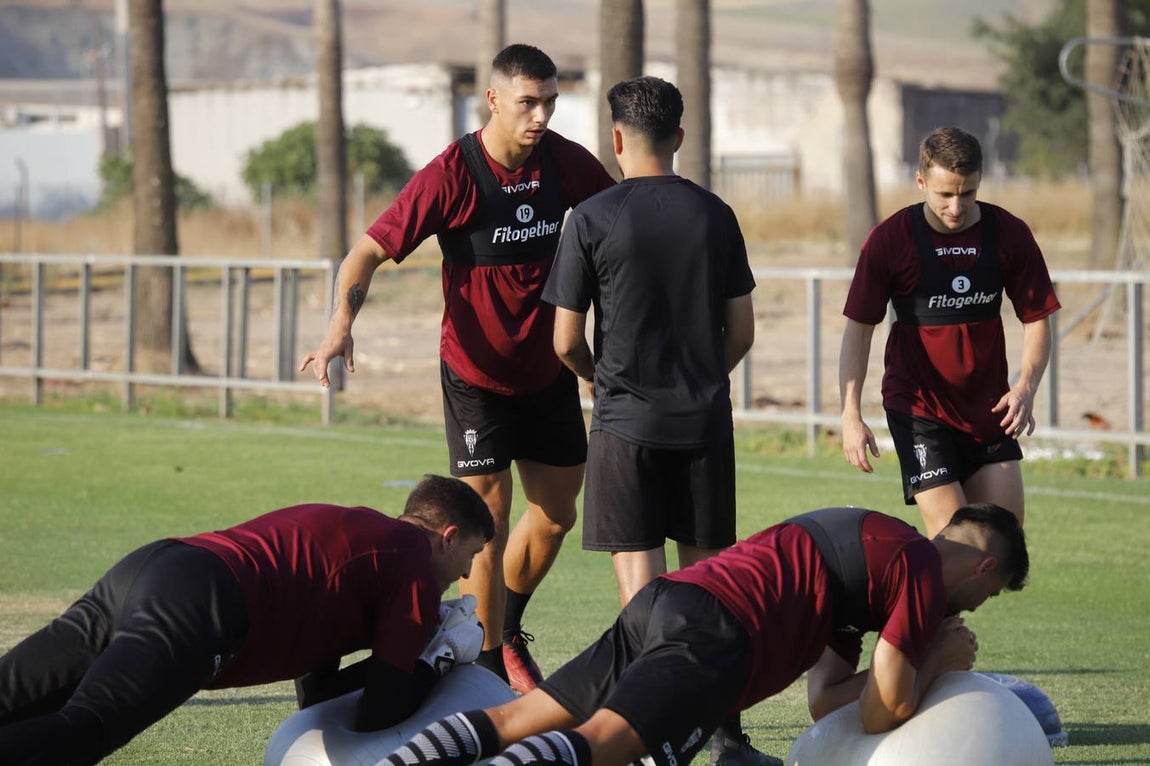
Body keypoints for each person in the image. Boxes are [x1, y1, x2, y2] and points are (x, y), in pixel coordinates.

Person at [301, 43, 616, 694]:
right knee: (489, 526)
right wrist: (340, 325)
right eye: (528, 102)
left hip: (549, 371)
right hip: (475, 378)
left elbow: (622, 224)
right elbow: (364, 253)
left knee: (558, 516)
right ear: (493, 99)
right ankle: (487, 662)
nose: (541, 115)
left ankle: (508, 627)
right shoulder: (453, 173)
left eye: (551, 101)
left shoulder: (567, 164)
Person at [377, 502, 1028, 766]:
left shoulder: (871, 560)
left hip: (667, 603)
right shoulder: (918, 568)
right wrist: (934, 656)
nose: (975, 607)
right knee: (603, 746)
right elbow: (886, 713)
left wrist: (900, 660)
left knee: (525, 717)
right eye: (988, 596)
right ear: (984, 567)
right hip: (719, 635)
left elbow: (828, 700)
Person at [541, 75, 762, 766]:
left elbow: (565, 341)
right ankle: (728, 738)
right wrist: (700, 379)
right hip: (703, 424)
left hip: (624, 425)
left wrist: (601, 382)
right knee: (708, 590)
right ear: (680, 138)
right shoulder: (714, 214)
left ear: (615, 140)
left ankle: (641, 742)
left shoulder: (593, 218)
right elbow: (743, 330)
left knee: (644, 606)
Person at [0, 474, 494, 765]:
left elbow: (318, 697)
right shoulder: (412, 562)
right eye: (471, 555)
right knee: (87, 728)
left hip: (154, 566)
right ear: (447, 536)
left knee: (13, 695)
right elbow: (380, 712)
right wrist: (438, 657)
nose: (469, 572)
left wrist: (414, 655)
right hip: (203, 600)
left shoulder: (371, 548)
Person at [839, 126, 1061, 536]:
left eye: (967, 193)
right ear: (921, 181)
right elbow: (859, 330)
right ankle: (920, 598)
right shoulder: (890, 240)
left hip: (990, 410)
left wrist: (1026, 388)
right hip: (919, 410)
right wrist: (850, 413)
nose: (956, 206)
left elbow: (1037, 318)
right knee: (957, 543)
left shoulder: (1008, 233)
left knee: (1001, 545)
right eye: (944, 195)